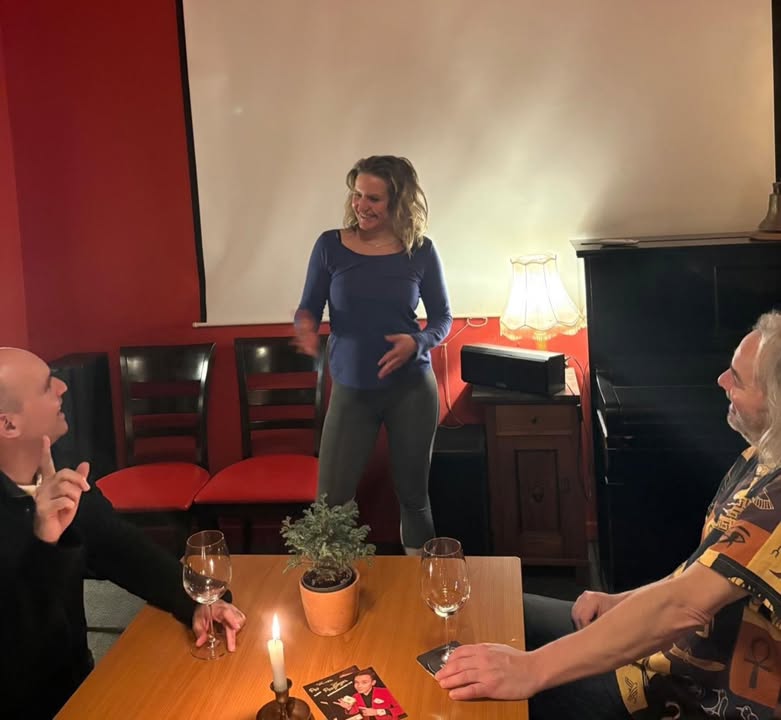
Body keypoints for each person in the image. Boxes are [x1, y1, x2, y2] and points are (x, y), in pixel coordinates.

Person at [436, 310, 781, 720]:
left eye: (737, 380)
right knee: (496, 604)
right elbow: (697, 574)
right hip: (659, 652)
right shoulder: (761, 456)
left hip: (682, 690)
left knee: (477, 699)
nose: (721, 381)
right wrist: (620, 601)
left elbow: (682, 608)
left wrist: (529, 669)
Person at [0, 347, 246, 719]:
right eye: (48, 385)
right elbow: (16, 650)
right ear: (8, 425)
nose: (64, 387)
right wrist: (46, 541)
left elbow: (122, 549)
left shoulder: (58, 475)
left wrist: (198, 600)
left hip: (77, 685)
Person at [294, 155, 452, 555]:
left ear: (398, 202)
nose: (361, 205)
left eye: (373, 199)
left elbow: (442, 319)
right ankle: (333, 586)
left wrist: (417, 343)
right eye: (357, 195)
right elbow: (309, 306)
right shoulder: (330, 246)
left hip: (411, 390)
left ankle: (426, 584)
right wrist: (305, 325)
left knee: (414, 498)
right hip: (352, 391)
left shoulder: (421, 251)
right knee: (331, 504)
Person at [336, 669, 405, 718]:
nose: (359, 686)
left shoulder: (385, 691)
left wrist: (378, 712)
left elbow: (402, 709)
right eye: (356, 682)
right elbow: (355, 710)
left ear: (373, 683)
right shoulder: (355, 696)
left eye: (364, 682)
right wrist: (349, 708)